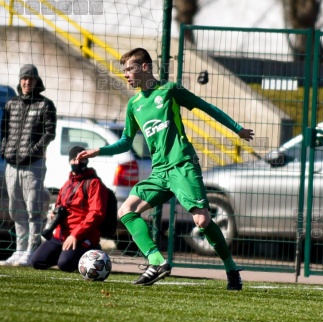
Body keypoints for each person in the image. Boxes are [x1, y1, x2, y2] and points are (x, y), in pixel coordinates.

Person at [76, 48, 254, 288]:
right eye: (124, 70)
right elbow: (126, 142)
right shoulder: (134, 104)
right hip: (159, 172)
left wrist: (238, 129)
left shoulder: (169, 91)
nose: (126, 74)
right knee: (126, 211)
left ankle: (231, 269)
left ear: (145, 67)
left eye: (129, 68)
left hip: (182, 165)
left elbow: (205, 107)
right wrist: (100, 150)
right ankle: (157, 261)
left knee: (202, 220)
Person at [0, 64, 56, 266]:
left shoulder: (45, 105)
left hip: (34, 165)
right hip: (11, 164)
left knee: (33, 209)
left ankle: (32, 251)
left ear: (36, 81)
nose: (27, 82)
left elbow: (49, 133)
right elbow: (4, 131)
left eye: (31, 79)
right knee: (16, 210)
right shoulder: (11, 104)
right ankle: (19, 250)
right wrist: (5, 150)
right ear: (20, 80)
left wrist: (32, 152)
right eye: (24, 78)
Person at [30, 146, 108, 272]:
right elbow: (58, 205)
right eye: (75, 159)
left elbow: (96, 213)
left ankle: (91, 249)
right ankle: (66, 254)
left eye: (82, 159)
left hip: (82, 235)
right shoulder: (67, 184)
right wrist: (54, 214)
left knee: (65, 265)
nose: (78, 162)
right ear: (70, 161)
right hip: (61, 234)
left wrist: (75, 235)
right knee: (37, 261)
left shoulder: (94, 183)